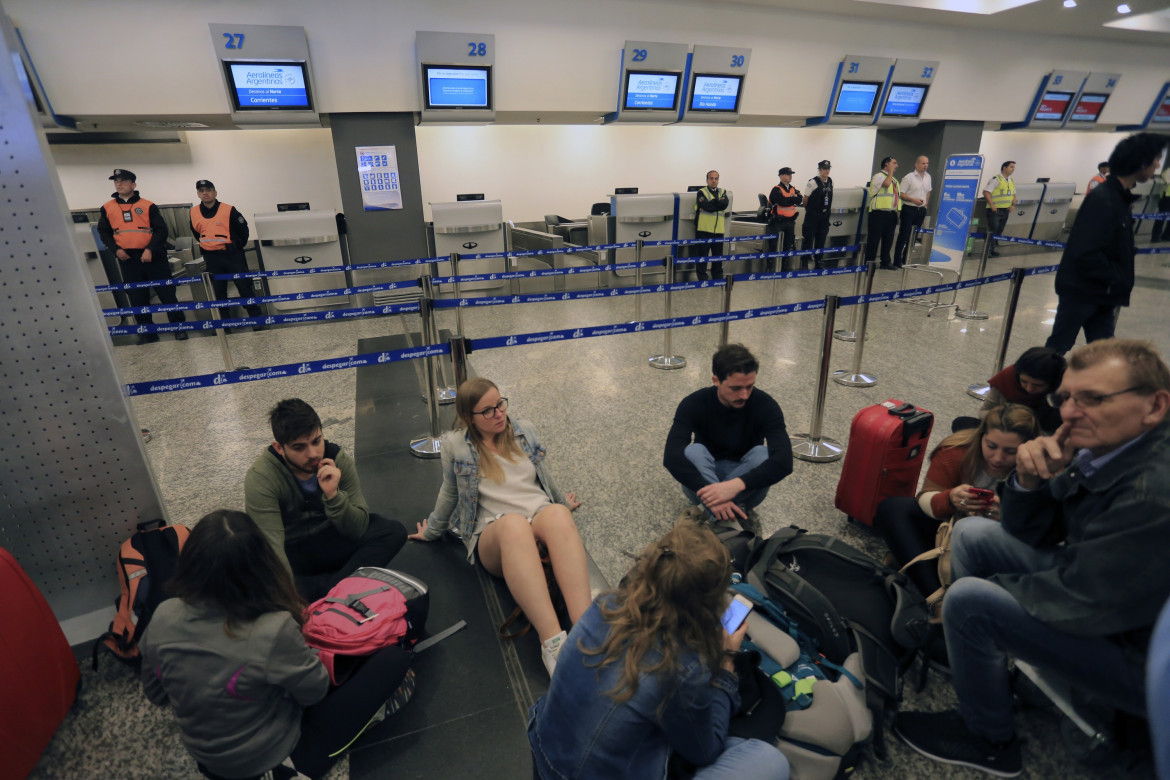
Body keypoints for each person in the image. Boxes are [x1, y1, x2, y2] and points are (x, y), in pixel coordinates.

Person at [895, 338, 1170, 778]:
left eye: (1094, 399)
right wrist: (1026, 481)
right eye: (1066, 398)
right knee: (973, 533)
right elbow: (1039, 530)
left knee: (968, 602)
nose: (1071, 412)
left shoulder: (1152, 492)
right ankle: (981, 660)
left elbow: (1084, 600)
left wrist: (990, 598)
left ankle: (989, 738)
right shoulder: (1112, 447)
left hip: (1139, 653)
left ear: (1155, 405)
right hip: (1104, 587)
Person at [141, 510, 413, 780]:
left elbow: (157, 694)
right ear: (261, 565)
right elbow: (314, 691)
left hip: (207, 760)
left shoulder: (163, 615)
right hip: (279, 758)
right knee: (393, 660)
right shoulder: (273, 627)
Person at [528, 520, 789, 780]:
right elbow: (705, 750)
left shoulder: (606, 604)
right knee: (769, 761)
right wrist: (727, 665)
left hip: (543, 752)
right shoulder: (683, 667)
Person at [408, 378, 591, 677]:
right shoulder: (457, 446)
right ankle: (553, 642)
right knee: (514, 525)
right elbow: (450, 493)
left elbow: (544, 476)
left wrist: (562, 504)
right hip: (495, 532)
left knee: (557, 514)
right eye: (488, 411)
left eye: (500, 404)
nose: (499, 414)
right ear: (469, 418)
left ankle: (587, 631)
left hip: (538, 515)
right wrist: (431, 530)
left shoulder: (524, 431)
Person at [875, 404, 1040, 606]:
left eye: (1010, 451)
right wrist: (950, 498)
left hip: (999, 550)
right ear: (981, 437)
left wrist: (1007, 518)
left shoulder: (1040, 470)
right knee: (893, 509)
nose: (998, 458)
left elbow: (1045, 534)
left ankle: (926, 578)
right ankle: (938, 600)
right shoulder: (955, 451)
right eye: (991, 446)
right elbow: (925, 498)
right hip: (948, 535)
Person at [244, 398, 407, 601]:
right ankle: (343, 586)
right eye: (299, 447)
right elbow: (272, 549)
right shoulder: (262, 478)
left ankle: (325, 590)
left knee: (392, 531)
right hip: (292, 552)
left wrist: (334, 496)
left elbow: (357, 528)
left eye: (316, 441)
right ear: (279, 448)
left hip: (332, 538)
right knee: (250, 570)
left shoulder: (338, 460)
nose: (312, 454)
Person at [1044, 132, 1166, 355]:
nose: (1158, 165)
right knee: (1057, 348)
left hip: (1101, 292)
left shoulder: (1119, 197)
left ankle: (1098, 389)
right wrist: (1117, 276)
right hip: (1083, 290)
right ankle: (1028, 387)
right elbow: (1085, 251)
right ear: (1140, 162)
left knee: (1105, 352)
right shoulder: (1104, 198)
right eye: (1156, 159)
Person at [663, 344, 792, 528]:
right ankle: (727, 518)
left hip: (745, 486)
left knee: (762, 454)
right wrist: (714, 494)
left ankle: (712, 515)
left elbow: (784, 460)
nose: (745, 395)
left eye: (750, 387)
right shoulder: (694, 403)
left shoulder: (766, 405)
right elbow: (671, 456)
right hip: (703, 482)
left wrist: (736, 485)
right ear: (716, 380)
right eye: (736, 388)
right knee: (694, 450)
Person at [96, 169, 185, 345]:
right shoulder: (107, 208)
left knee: (167, 294)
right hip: (128, 259)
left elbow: (161, 230)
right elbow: (103, 232)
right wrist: (116, 250)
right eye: (116, 181)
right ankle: (147, 332)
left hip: (154, 257)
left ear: (133, 184)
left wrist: (150, 249)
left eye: (123, 180)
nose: (119, 184)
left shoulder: (148, 205)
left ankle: (179, 328)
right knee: (137, 297)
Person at [190, 180, 264, 330]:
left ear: (215, 192)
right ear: (198, 194)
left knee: (244, 287)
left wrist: (236, 246)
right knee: (218, 291)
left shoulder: (229, 210)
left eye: (209, 190)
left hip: (232, 256)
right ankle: (224, 323)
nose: (205, 193)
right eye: (202, 190)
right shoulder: (193, 212)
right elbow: (197, 233)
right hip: (211, 258)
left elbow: (243, 230)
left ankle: (255, 319)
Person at [977, 346, 1066, 433]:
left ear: (1052, 383)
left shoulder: (1061, 392)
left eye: (1038, 385)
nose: (1029, 389)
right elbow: (983, 412)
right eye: (1024, 381)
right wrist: (1004, 417)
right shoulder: (1006, 379)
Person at [893, 155, 931, 269]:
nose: (925, 166)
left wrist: (926, 205)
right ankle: (897, 260)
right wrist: (913, 200)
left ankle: (907, 258)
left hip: (921, 210)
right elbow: (901, 194)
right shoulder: (909, 177)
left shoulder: (928, 177)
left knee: (914, 235)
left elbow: (928, 191)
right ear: (917, 164)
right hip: (909, 209)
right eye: (923, 163)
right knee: (904, 235)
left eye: (927, 163)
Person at [692, 170, 730, 281]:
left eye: (716, 178)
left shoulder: (723, 191)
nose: (714, 181)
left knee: (717, 256)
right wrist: (717, 203)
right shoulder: (701, 192)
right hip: (703, 229)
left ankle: (717, 276)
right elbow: (706, 206)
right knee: (702, 255)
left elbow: (724, 205)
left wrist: (713, 204)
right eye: (711, 178)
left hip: (718, 230)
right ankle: (702, 277)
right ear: (707, 180)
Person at [866, 157, 900, 270]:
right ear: (887, 164)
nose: (896, 166)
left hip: (891, 214)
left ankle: (885, 262)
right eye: (894, 163)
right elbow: (885, 184)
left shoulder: (894, 180)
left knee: (888, 239)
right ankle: (869, 263)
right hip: (878, 213)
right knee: (874, 239)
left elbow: (896, 196)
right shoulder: (879, 176)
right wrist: (890, 172)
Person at [767, 167, 802, 271]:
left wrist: (789, 199)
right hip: (778, 221)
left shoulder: (793, 188)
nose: (790, 176)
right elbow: (781, 201)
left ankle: (784, 266)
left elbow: (799, 199)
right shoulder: (776, 189)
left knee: (787, 245)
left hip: (790, 222)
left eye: (791, 174)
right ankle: (770, 266)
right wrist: (792, 199)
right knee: (773, 244)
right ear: (781, 176)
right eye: (788, 174)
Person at [801, 160, 834, 269]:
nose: (827, 171)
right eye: (824, 169)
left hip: (825, 216)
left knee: (821, 239)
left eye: (828, 168)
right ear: (819, 170)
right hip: (813, 215)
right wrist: (811, 210)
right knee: (808, 239)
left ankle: (818, 260)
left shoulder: (830, 181)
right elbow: (805, 199)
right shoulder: (813, 182)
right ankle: (804, 262)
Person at [981, 160, 1017, 257]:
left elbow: (1014, 194)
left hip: (1006, 210)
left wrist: (1013, 204)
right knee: (992, 230)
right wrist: (992, 205)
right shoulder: (996, 179)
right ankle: (986, 251)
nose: (1013, 169)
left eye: (1014, 167)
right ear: (1004, 167)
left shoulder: (1011, 180)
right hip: (995, 210)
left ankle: (992, 250)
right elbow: (986, 192)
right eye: (1011, 167)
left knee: (999, 230)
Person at [1149, 164, 1170, 244]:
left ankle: (1167, 236)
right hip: (1167, 196)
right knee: (1161, 217)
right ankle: (1155, 236)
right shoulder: (1168, 170)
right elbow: (1167, 180)